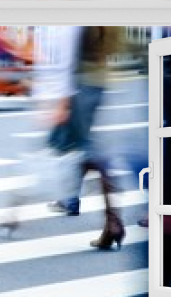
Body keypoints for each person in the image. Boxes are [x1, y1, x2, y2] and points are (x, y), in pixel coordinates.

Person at [43, 26, 128, 249]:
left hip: (80, 82)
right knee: (81, 147)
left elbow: (66, 54)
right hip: (96, 78)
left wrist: (62, 99)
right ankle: (103, 216)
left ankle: (113, 220)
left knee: (80, 148)